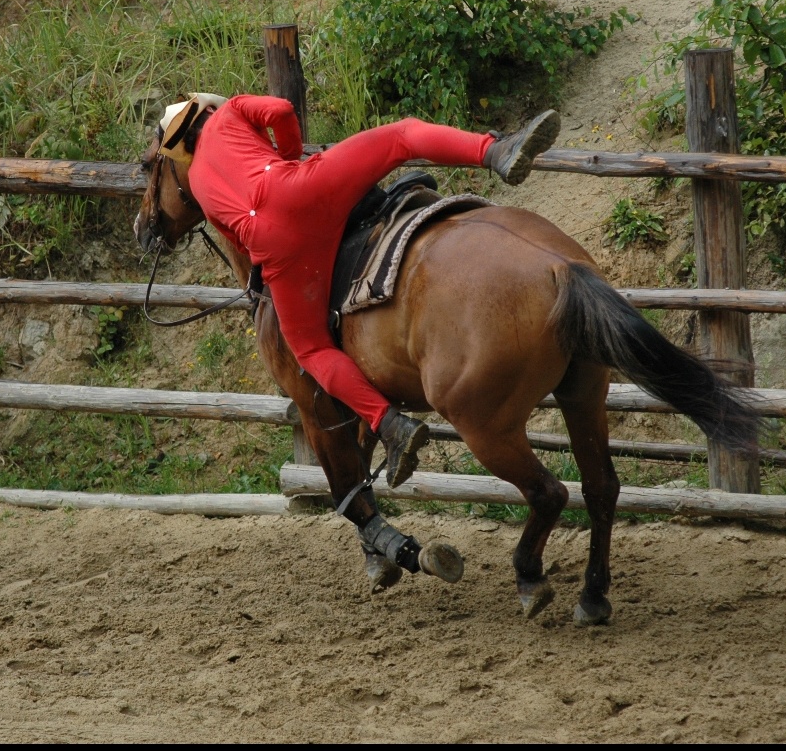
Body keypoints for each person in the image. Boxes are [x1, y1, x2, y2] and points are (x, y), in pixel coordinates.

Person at [155, 93, 560, 488]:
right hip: (301, 188)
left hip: (277, 246)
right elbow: (282, 110)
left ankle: (390, 424)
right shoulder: (231, 110)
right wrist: (290, 155)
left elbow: (243, 248)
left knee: (311, 351)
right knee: (401, 137)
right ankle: (496, 151)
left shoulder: (201, 186)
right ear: (205, 110)